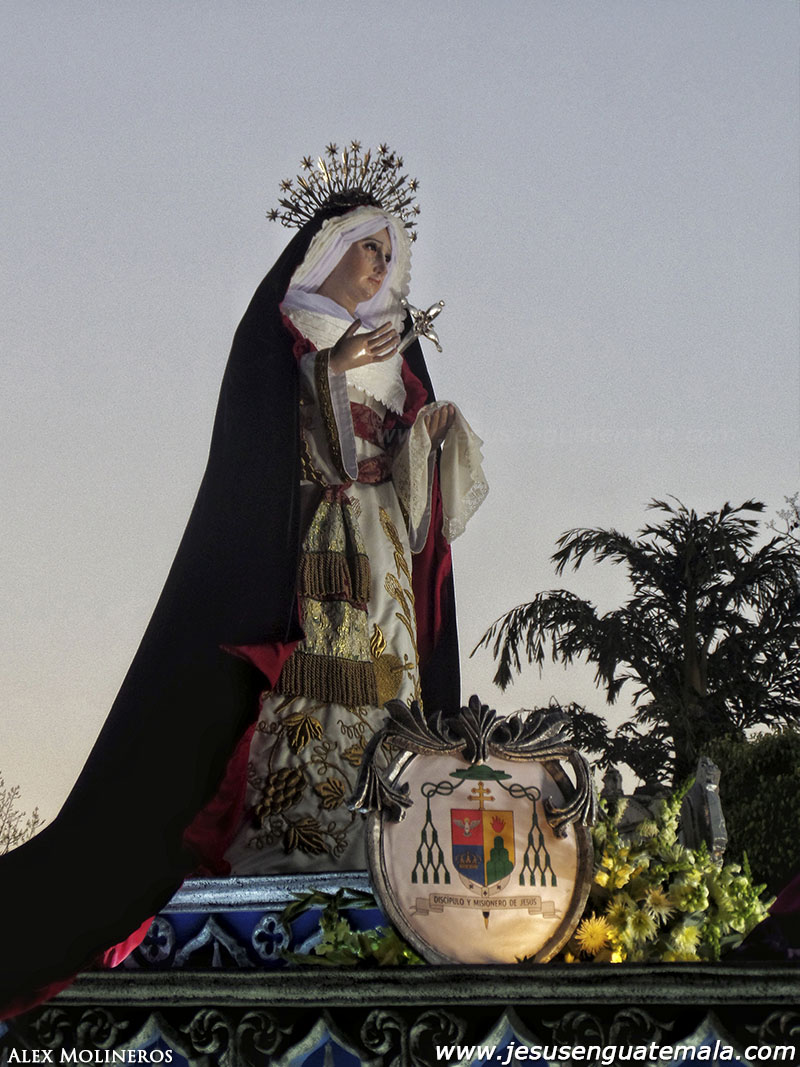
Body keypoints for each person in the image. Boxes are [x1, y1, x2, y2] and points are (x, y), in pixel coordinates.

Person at [0, 145, 487, 1015]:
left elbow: (419, 502)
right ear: (326, 248)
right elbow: (262, 450)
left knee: (389, 692)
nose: (380, 266)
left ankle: (379, 839)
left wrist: (431, 438)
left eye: (389, 252)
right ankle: (296, 837)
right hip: (302, 553)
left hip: (379, 559)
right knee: (305, 692)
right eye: (367, 246)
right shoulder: (284, 331)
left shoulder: (401, 351)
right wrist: (329, 373)